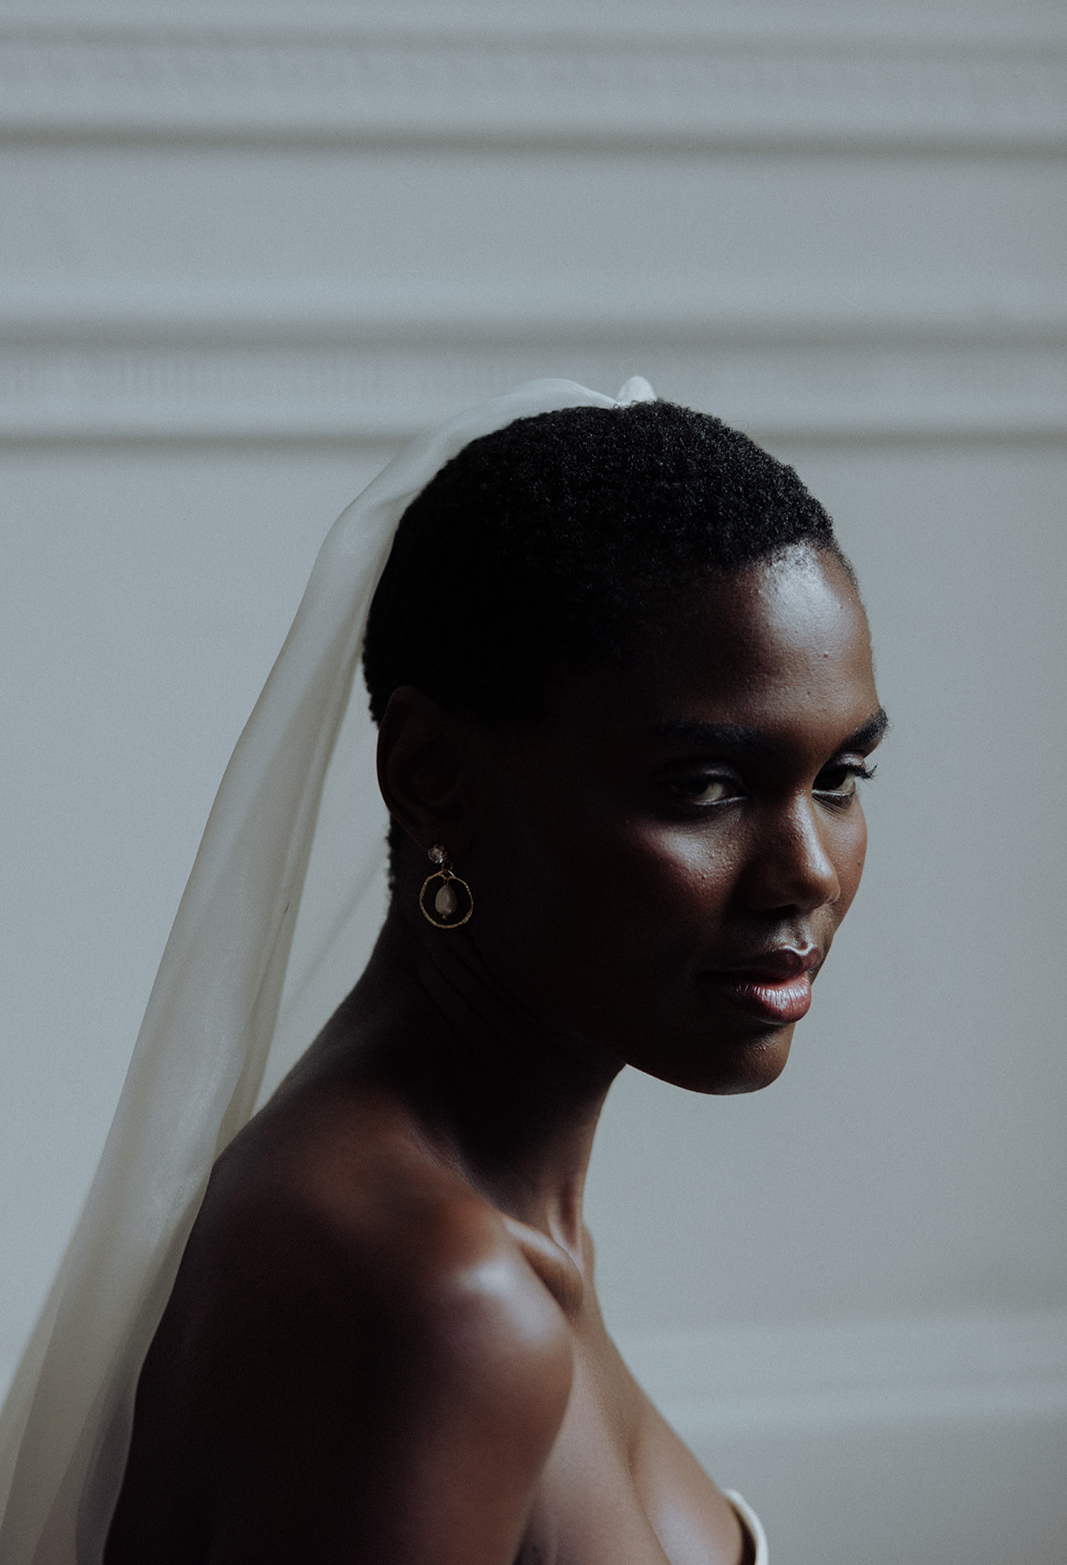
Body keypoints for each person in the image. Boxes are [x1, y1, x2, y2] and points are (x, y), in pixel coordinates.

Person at [0, 379, 885, 1565]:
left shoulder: (483, 1215)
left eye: (838, 776)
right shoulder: (427, 1298)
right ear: (431, 778)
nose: (806, 872)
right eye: (704, 787)